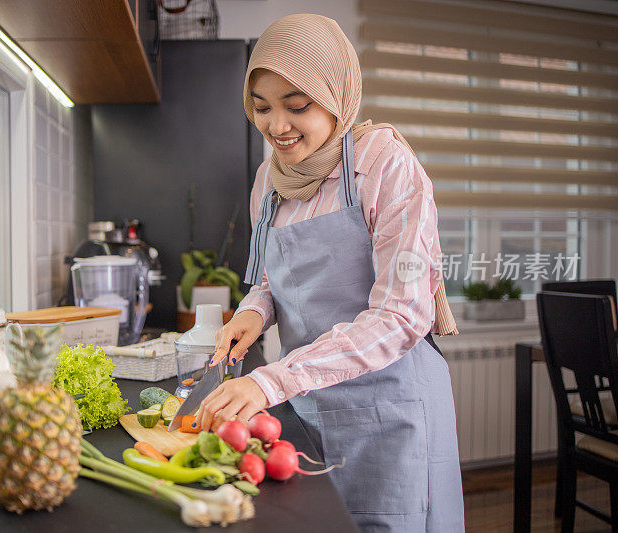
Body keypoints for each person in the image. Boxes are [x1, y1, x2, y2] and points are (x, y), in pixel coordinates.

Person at [193, 14, 465, 531]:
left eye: (297, 107)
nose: (277, 126)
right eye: (261, 107)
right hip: (309, 405)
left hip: (391, 407)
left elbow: (403, 315)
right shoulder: (268, 180)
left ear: (337, 97)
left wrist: (271, 380)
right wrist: (253, 311)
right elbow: (274, 276)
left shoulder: (384, 165)